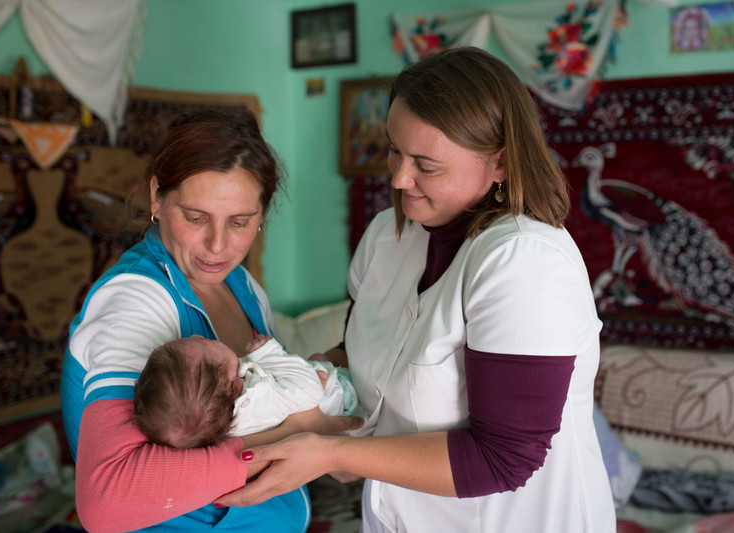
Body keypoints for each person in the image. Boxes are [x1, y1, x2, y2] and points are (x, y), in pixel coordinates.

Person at [217, 47, 616, 532]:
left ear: (502, 164)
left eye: (426, 165)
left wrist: (330, 451)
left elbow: (503, 459)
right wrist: (287, 390)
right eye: (393, 150)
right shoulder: (388, 235)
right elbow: (358, 357)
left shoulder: (523, 261)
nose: (399, 177)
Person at [59, 108, 360, 533]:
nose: (217, 246)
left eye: (239, 222)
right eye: (196, 218)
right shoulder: (137, 300)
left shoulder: (243, 288)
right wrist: (299, 433)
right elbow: (105, 502)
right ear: (156, 199)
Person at [133, 333, 360, 448]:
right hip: (345, 398)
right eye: (205, 343)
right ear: (234, 386)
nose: (196, 335)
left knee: (318, 361)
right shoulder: (256, 401)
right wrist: (268, 353)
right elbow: (311, 391)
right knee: (321, 364)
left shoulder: (221, 419)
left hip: (324, 400)